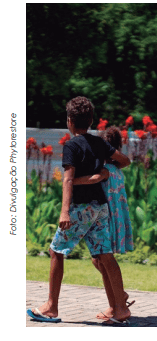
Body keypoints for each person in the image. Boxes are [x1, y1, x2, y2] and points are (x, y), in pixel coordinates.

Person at [27, 96, 131, 324]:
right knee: (105, 255)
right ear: (91, 120)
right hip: (100, 208)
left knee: (56, 252)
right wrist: (105, 171)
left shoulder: (71, 146)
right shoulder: (98, 143)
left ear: (69, 121)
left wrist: (65, 212)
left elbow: (67, 180)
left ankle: (51, 307)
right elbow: (125, 161)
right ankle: (121, 309)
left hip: (80, 209)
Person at [72, 126, 134, 321]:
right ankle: (117, 300)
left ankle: (118, 302)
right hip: (115, 218)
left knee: (102, 259)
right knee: (99, 259)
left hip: (107, 219)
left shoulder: (105, 170)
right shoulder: (117, 168)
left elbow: (95, 179)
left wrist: (72, 181)